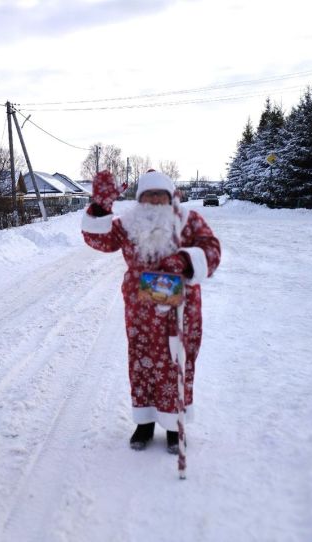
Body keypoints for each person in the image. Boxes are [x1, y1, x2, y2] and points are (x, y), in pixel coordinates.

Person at [81, 169, 221, 453]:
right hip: (141, 309)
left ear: (171, 198)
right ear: (140, 199)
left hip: (181, 306)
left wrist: (185, 260)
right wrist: (100, 207)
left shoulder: (188, 221)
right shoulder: (128, 224)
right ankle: (144, 423)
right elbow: (99, 240)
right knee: (142, 361)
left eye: (161, 194)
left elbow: (212, 248)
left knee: (177, 362)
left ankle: (174, 426)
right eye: (148, 195)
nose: (155, 200)